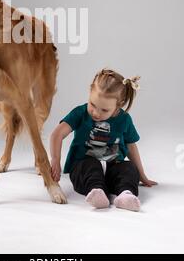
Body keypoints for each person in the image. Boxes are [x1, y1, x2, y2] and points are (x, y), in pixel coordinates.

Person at [50, 68, 157, 211]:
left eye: (104, 110)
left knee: (129, 168)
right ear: (90, 93)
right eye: (92, 104)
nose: (96, 113)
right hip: (84, 168)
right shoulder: (80, 113)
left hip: (113, 168)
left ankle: (126, 194)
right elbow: (57, 134)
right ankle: (96, 191)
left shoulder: (124, 119)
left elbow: (131, 146)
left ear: (118, 105)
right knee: (88, 167)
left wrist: (141, 175)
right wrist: (55, 160)